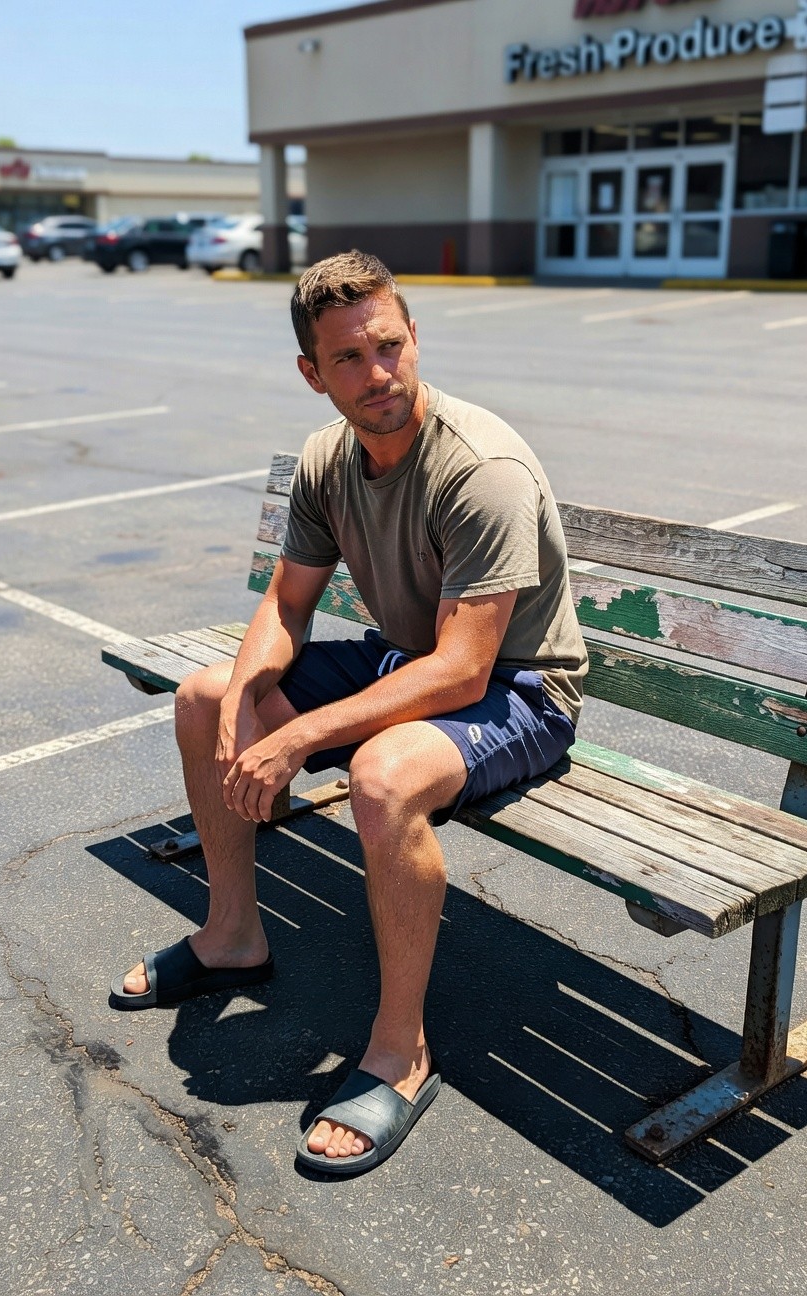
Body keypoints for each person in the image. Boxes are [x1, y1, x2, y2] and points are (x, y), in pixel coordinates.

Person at [111, 250, 587, 1175]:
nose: (378, 375)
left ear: (414, 337)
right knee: (203, 696)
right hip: (410, 658)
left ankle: (401, 1052)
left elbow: (464, 670)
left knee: (382, 775)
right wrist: (242, 703)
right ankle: (232, 936)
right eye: (349, 359)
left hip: (522, 689)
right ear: (312, 372)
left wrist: (294, 736)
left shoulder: (479, 467)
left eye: (389, 346)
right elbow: (287, 603)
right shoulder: (329, 459)